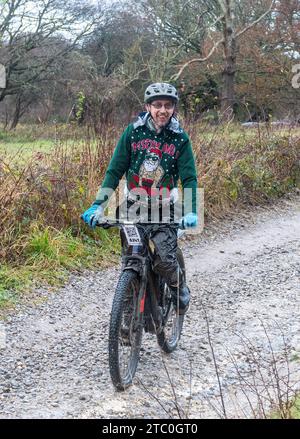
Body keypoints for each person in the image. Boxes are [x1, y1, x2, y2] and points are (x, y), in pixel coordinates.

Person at [81, 82, 198, 314]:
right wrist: (98, 205)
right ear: (148, 106)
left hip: (166, 206)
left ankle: (178, 287)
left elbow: (189, 178)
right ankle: (127, 316)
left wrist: (193, 211)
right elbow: (115, 171)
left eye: (168, 105)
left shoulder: (180, 138)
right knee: (132, 258)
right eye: (157, 105)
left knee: (165, 259)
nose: (162, 110)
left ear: (174, 108)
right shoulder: (133, 132)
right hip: (133, 205)